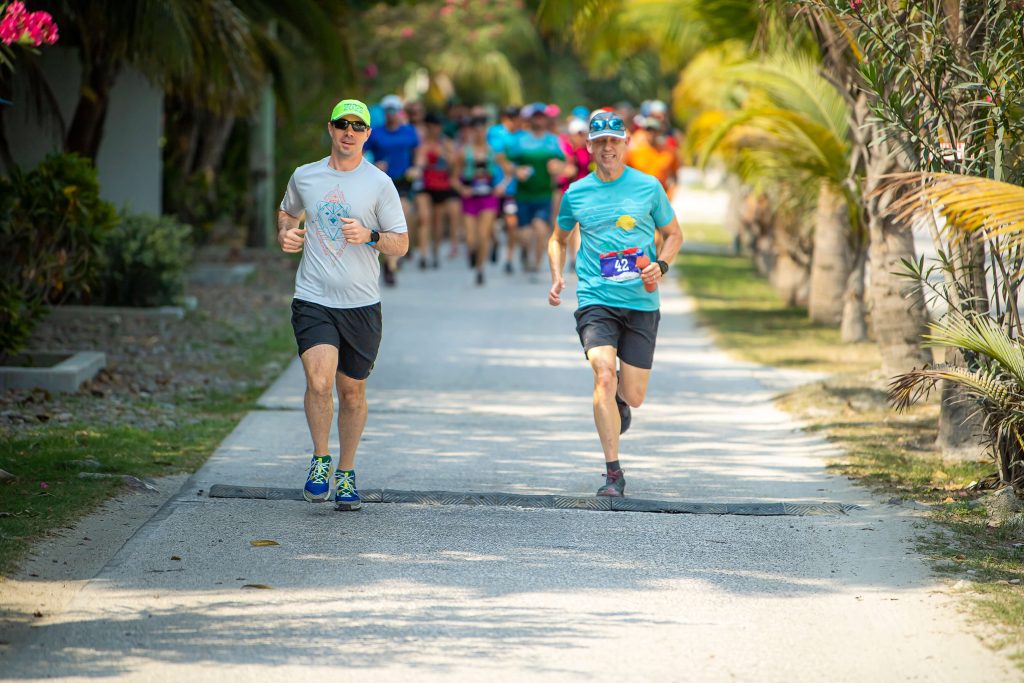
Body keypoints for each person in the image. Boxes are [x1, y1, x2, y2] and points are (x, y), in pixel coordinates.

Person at [278, 98, 410, 511]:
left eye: (357, 126)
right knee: (319, 382)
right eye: (342, 125)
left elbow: (401, 244)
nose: (348, 132)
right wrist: (286, 233)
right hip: (313, 297)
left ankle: (347, 471)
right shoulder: (306, 176)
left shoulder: (379, 183)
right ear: (331, 129)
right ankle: (320, 459)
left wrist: (370, 236)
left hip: (361, 305)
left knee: (351, 393)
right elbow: (287, 213)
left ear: (368, 135)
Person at [547, 110, 683, 498]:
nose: (608, 147)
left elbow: (674, 234)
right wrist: (558, 275)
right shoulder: (576, 193)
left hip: (641, 301)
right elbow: (557, 238)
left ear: (625, 143)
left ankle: (622, 400)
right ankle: (613, 474)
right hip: (596, 299)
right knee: (603, 374)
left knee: (634, 395)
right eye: (600, 141)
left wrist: (661, 264)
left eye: (614, 141)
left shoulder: (648, 187)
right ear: (589, 146)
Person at [501, 103, 564, 273]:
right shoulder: (520, 140)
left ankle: (535, 265)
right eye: (535, 117)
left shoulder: (552, 140)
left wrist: (558, 166)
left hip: (544, 194)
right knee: (525, 234)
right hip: (523, 195)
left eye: (541, 117)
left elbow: (564, 163)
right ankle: (525, 253)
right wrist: (516, 170)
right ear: (530, 119)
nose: (538, 120)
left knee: (541, 229)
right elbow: (503, 160)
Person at [364, 94, 419, 286]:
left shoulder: (409, 132)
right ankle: (391, 264)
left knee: (403, 215)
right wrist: (373, 164)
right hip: (381, 183)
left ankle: (393, 260)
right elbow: (360, 155)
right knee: (385, 223)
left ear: (400, 112)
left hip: (403, 181)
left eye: (394, 110)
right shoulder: (376, 133)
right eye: (387, 110)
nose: (391, 114)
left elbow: (417, 153)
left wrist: (416, 167)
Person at [452, 115, 505, 286]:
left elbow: (508, 171)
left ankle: (480, 269)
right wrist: (462, 189)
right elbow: (453, 178)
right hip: (470, 197)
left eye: (483, 129)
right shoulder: (463, 152)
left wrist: (501, 186)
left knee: (483, 235)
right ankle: (474, 254)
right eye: (476, 129)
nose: (479, 132)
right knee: (470, 239)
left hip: (488, 196)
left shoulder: (492, 151)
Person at [413, 112, 460, 269]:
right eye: (432, 126)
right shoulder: (421, 143)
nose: (435, 129)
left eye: (438, 126)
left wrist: (446, 156)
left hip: (441, 185)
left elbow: (455, 165)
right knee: (424, 217)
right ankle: (424, 254)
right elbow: (418, 162)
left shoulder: (446, 143)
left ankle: (435, 251)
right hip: (425, 185)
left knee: (437, 222)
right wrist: (420, 165)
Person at [488, 105, 522, 274]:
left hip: (512, 189)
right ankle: (494, 242)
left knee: (511, 223)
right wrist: (503, 181)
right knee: (489, 223)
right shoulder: (496, 133)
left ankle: (509, 258)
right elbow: (498, 157)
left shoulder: (521, 135)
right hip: (494, 185)